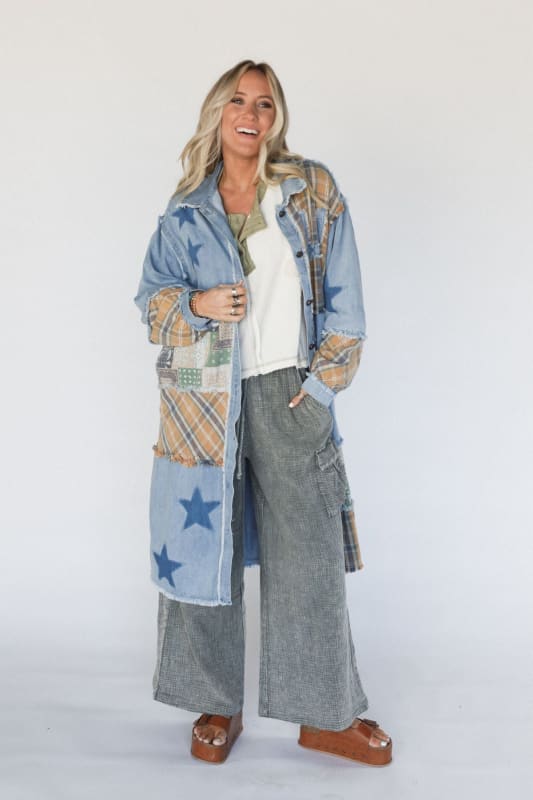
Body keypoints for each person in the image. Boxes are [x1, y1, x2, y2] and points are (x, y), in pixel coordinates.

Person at [134, 59, 392, 765]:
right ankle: (215, 703)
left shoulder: (309, 190)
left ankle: (324, 714)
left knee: (309, 557)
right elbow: (150, 304)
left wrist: (322, 388)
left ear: (277, 118)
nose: (252, 114)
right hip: (203, 399)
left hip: (288, 391)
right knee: (204, 552)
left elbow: (345, 302)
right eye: (239, 101)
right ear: (217, 112)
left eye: (266, 104)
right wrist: (198, 304)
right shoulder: (185, 211)